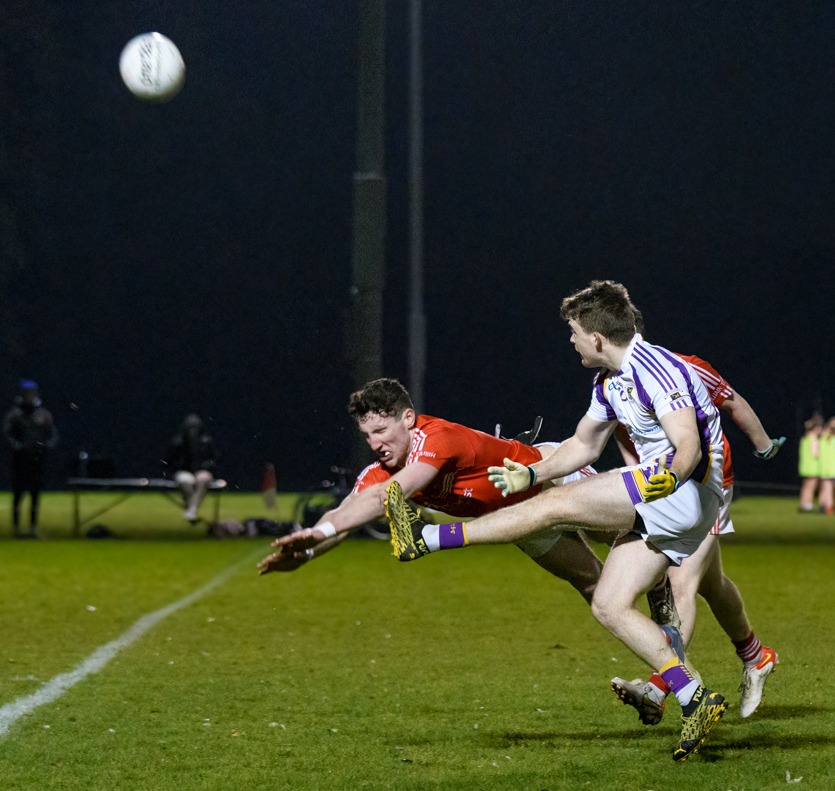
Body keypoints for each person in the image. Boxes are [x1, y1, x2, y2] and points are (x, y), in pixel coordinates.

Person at [384, 280, 730, 762]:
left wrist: (665, 480)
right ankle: (697, 700)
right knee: (608, 604)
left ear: (596, 338)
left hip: (684, 490)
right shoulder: (610, 382)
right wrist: (531, 471)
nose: (569, 340)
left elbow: (688, 445)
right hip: (673, 499)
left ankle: (424, 537)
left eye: (572, 332)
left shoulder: (655, 369)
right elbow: (582, 446)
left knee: (552, 507)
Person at [259, 378, 605, 603]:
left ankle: (662, 624)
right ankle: (659, 664)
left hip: (552, 477)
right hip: (517, 517)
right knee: (596, 588)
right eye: (367, 435)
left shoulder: (435, 438)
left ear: (408, 418)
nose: (374, 443)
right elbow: (345, 515)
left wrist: (321, 531)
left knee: (634, 534)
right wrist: (307, 551)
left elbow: (385, 498)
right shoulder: (381, 470)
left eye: (381, 430)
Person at [611, 353, 782, 723]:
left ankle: (658, 687)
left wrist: (763, 443)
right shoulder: (609, 382)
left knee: (681, 583)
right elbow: (626, 437)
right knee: (712, 583)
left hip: (707, 482)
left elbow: (732, 399)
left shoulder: (681, 366)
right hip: (664, 486)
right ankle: (757, 657)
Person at [2, 379, 58, 538]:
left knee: (35, 495)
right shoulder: (15, 415)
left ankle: (33, 527)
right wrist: (18, 446)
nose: (30, 396)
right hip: (20, 460)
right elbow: (8, 434)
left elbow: (52, 434)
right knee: (18, 494)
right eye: (27, 393)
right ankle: (16, 528)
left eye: (32, 393)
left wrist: (46, 446)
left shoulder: (43, 415)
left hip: (37, 461)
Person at [164, 414, 217, 521]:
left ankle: (191, 509)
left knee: (204, 478)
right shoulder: (178, 443)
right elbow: (169, 461)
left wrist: (207, 467)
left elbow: (213, 459)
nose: (193, 430)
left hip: (201, 471)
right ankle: (192, 508)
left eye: (195, 427)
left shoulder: (206, 442)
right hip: (184, 471)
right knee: (184, 480)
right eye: (191, 427)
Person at [798, 414, 824, 512]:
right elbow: (815, 453)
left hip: (805, 466)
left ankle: (803, 502)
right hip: (813, 466)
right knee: (811, 487)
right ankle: (808, 504)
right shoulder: (814, 439)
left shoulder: (804, 439)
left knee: (805, 486)